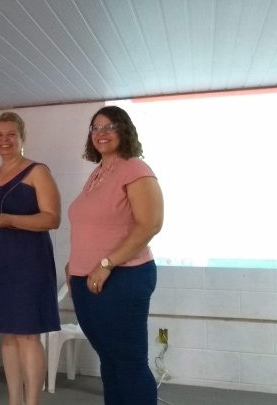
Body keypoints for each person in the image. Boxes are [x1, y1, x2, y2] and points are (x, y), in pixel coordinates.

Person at [67, 105, 164, 405]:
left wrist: (106, 264)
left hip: (123, 277)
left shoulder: (135, 168)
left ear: (124, 130)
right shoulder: (98, 173)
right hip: (87, 280)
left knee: (129, 362)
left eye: (110, 126)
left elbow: (150, 223)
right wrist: (74, 265)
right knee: (110, 360)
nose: (102, 133)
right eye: (96, 128)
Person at [0, 112, 61, 405]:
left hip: (30, 265)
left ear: (22, 137)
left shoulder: (38, 172)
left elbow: (52, 219)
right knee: (8, 336)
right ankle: (14, 400)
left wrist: (10, 220)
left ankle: (32, 402)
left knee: (28, 336)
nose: (5, 140)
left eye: (11, 134)